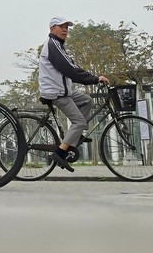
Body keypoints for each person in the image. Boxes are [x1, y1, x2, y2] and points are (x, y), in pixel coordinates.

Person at [37, 16, 109, 172]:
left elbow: (73, 66)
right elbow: (71, 70)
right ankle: (60, 152)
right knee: (79, 122)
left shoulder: (59, 46)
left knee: (87, 100)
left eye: (67, 27)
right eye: (61, 27)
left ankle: (74, 138)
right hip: (56, 93)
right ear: (51, 29)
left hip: (64, 91)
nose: (65, 30)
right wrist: (95, 79)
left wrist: (94, 78)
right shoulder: (53, 45)